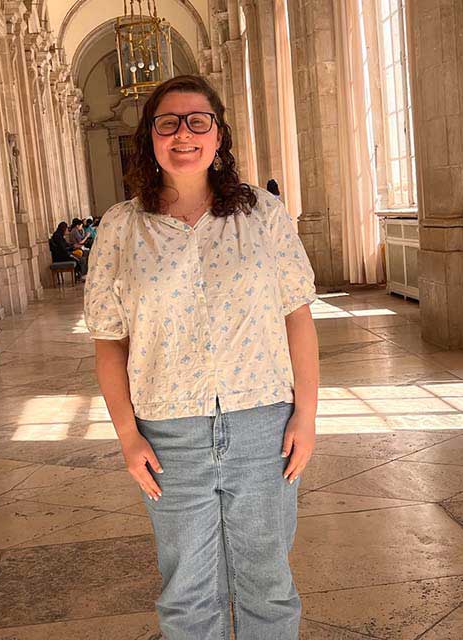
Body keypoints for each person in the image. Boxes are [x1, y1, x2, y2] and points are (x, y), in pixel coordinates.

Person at [84, 75, 319, 639]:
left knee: (268, 585)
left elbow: (298, 317)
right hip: (169, 435)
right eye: (168, 122)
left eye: (197, 121)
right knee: (186, 593)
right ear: (150, 137)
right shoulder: (120, 227)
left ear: (218, 136)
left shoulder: (263, 214)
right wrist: (127, 435)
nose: (183, 134)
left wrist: (306, 416)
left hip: (263, 424)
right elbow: (109, 343)